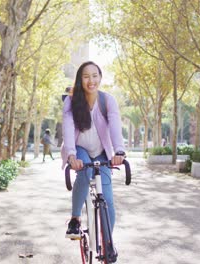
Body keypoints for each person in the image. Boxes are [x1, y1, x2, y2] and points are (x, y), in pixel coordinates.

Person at [61, 61, 126, 240]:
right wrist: (72, 155)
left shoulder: (107, 101)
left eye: (95, 76)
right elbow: (67, 129)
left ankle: (108, 245)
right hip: (79, 148)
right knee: (84, 172)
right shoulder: (70, 101)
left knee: (108, 201)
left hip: (101, 151)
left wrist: (119, 151)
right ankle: (75, 219)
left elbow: (114, 126)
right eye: (86, 76)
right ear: (80, 80)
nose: (91, 80)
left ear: (100, 78)